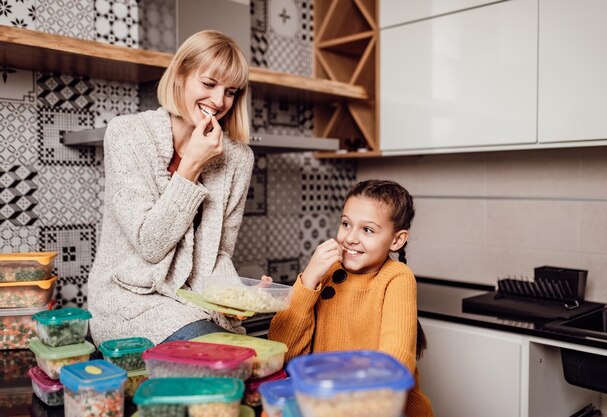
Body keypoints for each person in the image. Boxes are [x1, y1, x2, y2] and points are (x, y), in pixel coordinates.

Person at [88, 30, 256, 346]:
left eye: (231, 91)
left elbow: (218, 253)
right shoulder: (127, 135)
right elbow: (150, 244)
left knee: (253, 360)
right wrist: (191, 165)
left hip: (193, 306)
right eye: (209, 84)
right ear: (179, 76)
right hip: (128, 302)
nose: (219, 101)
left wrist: (237, 296)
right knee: (222, 364)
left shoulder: (238, 159)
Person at [268, 179, 434, 417]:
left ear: (397, 240)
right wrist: (308, 280)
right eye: (346, 224)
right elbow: (283, 353)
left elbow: (393, 366)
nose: (350, 238)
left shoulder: (397, 278)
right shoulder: (326, 273)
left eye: (367, 230)